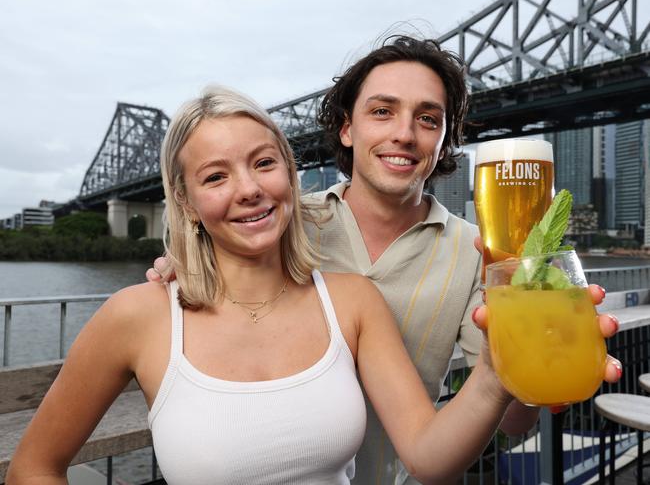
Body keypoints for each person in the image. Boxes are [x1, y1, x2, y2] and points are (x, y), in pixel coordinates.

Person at [5, 85, 557, 484]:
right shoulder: (137, 315)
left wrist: (492, 370)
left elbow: (428, 459)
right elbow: (33, 465)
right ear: (189, 203)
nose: (248, 189)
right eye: (216, 176)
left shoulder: (352, 300)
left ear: (290, 177)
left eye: (264, 163)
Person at [145, 36, 623, 484]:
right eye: (382, 111)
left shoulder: (484, 254)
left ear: (444, 143)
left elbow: (516, 419)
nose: (405, 134)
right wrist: (181, 264)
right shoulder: (273, 223)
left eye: (429, 119)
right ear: (347, 128)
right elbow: (205, 251)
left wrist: (548, 350)